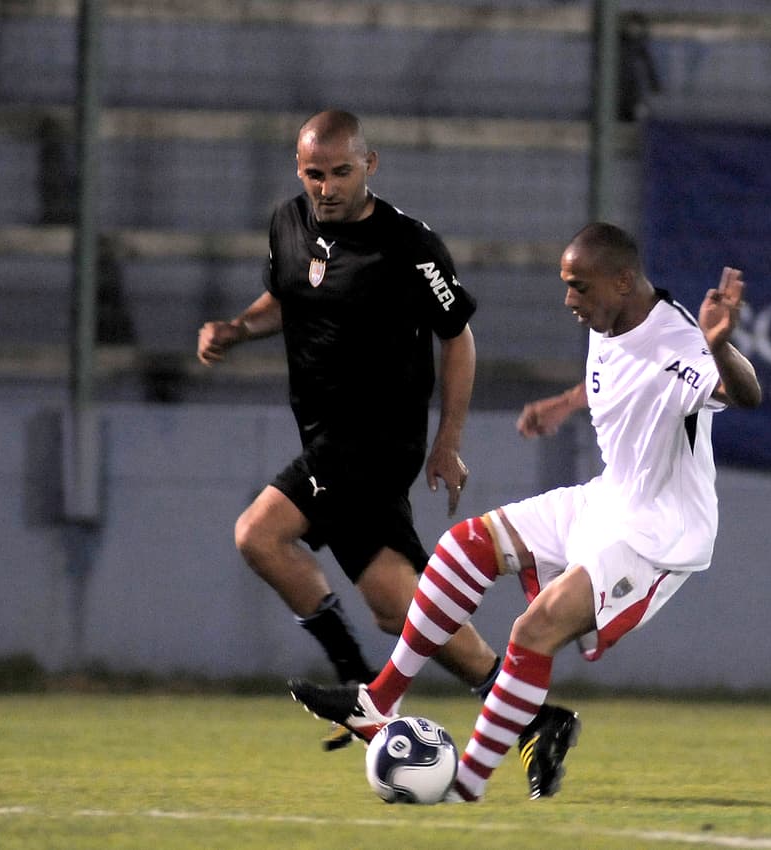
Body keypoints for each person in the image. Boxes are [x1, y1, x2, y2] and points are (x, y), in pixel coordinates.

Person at [289, 222, 762, 801]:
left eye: (579, 288)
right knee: (462, 547)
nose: (569, 301)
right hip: (607, 498)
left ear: (621, 281)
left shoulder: (681, 344)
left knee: (533, 631)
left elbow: (744, 394)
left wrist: (717, 345)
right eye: (567, 286)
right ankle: (379, 699)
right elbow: (621, 377)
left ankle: (463, 787)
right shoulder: (615, 314)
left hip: (656, 533)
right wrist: (566, 402)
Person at [196, 110, 579, 788]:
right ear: (298, 169)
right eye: (315, 173)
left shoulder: (409, 245)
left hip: (373, 443)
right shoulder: (289, 224)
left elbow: (456, 335)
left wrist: (448, 441)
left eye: (341, 171)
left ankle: (360, 692)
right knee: (396, 603)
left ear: (370, 166)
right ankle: (529, 716)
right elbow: (287, 296)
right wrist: (235, 328)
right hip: (323, 436)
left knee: (260, 533)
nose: (327, 186)